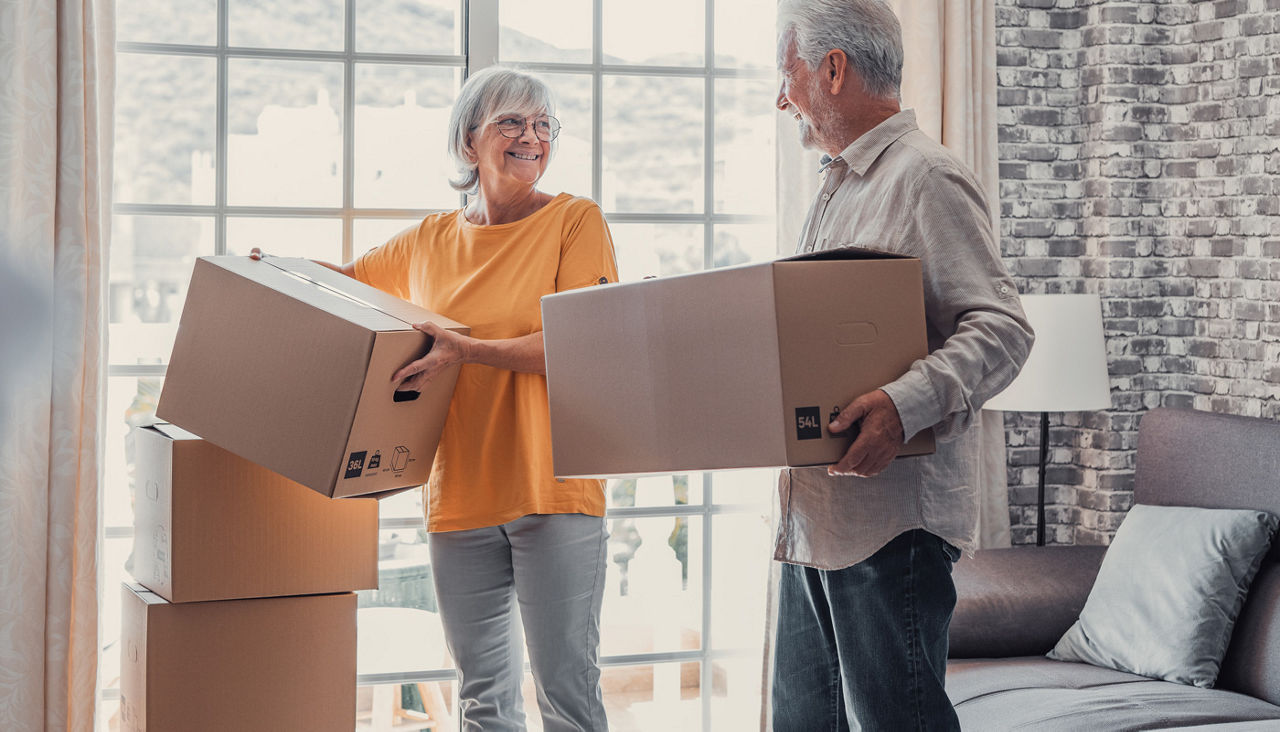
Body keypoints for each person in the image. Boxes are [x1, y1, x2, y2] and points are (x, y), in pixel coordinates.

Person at [255, 65, 615, 731]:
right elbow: (349, 290)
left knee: (567, 695)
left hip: (553, 493)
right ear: (468, 141)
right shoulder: (428, 241)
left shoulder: (574, 221)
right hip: (460, 499)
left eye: (543, 126)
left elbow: (578, 346)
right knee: (483, 699)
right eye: (512, 121)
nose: (531, 137)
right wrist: (272, 275)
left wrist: (468, 350)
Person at [770, 1, 1035, 730]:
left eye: (785, 73)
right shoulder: (837, 185)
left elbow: (1004, 329)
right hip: (811, 525)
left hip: (891, 530)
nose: (780, 95)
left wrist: (901, 403)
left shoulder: (926, 177)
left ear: (832, 69)